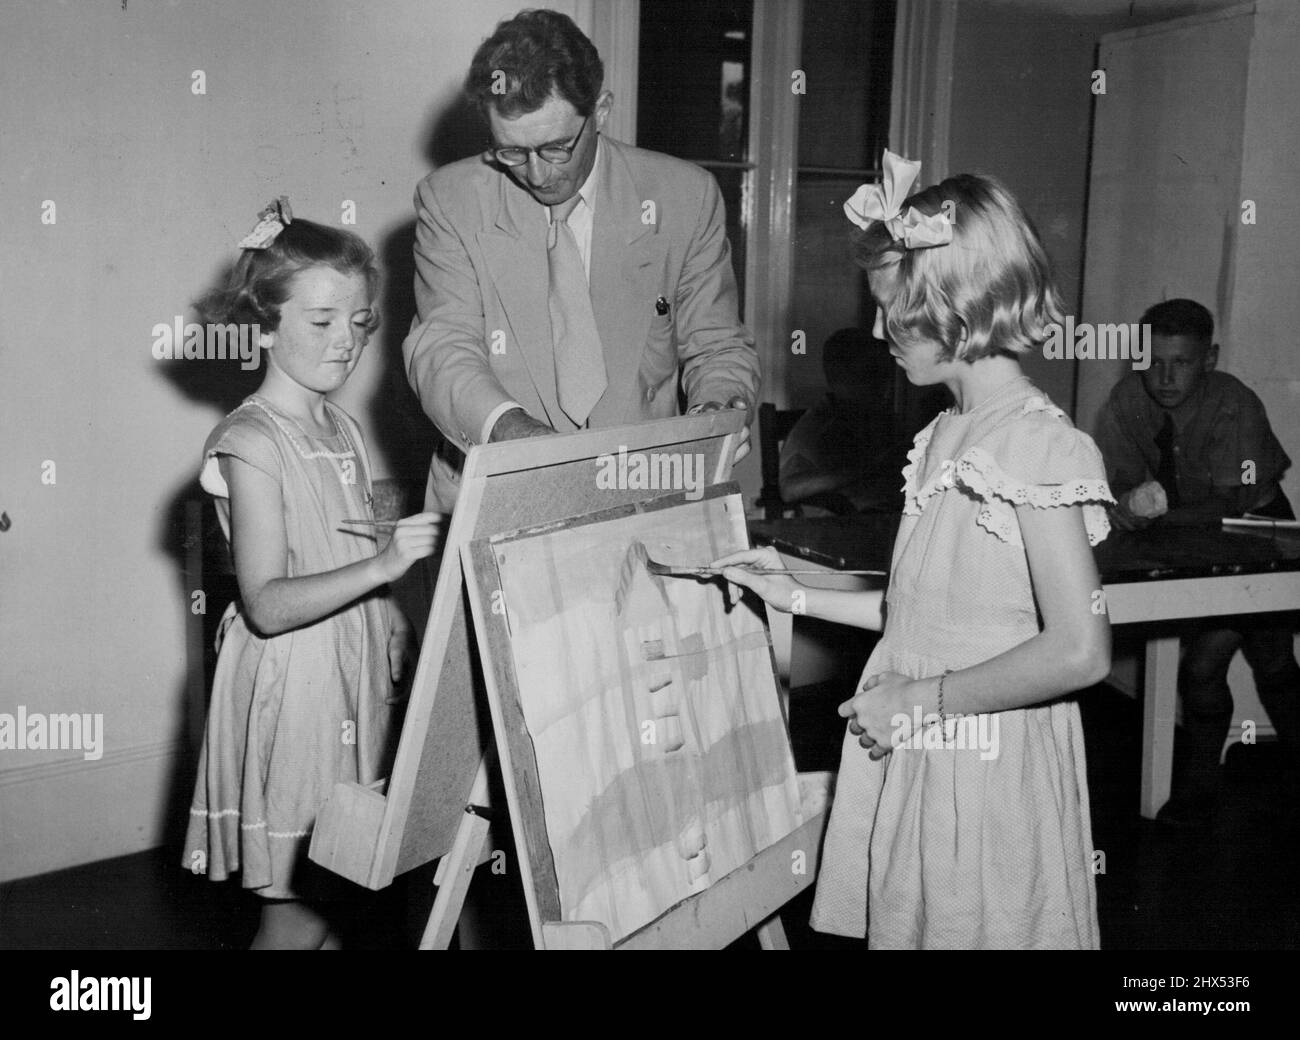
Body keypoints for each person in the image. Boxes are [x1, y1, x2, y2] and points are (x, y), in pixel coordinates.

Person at [715, 152, 1114, 948]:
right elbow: (919, 617)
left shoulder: (1039, 447)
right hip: (925, 747)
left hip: (987, 762)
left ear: (957, 309)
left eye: (892, 313)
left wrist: (919, 705)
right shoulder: (939, 436)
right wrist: (790, 591)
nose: (873, 334)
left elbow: (1081, 650)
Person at [182, 202, 442, 949]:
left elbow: (348, 542)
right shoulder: (249, 442)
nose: (347, 342)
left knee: (338, 893)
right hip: (293, 683)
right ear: (262, 326)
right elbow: (265, 603)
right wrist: (386, 564)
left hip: (346, 672)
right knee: (294, 911)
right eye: (321, 321)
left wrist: (388, 606)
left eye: (360, 323)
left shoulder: (340, 427)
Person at [403, 8, 761, 512]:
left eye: (556, 147)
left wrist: (716, 411)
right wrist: (517, 436)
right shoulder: (451, 200)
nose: (536, 174)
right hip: (495, 493)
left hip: (645, 491)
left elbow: (718, 346)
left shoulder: (685, 197)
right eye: (510, 151)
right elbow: (442, 347)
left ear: (602, 110)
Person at [1094, 298, 1298, 827]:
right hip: (1184, 538)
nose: (1164, 377)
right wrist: (1124, 507)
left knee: (1261, 661)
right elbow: (1114, 488)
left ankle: (1209, 784)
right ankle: (1202, 786)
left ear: (1208, 358)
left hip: (1254, 535)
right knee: (1212, 668)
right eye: (1154, 361)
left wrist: (1146, 513)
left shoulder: (1234, 401)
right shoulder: (1125, 400)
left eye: (1180, 363)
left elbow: (1230, 502)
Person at [779, 327, 941, 513]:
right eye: (873, 378)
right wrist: (867, 469)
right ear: (843, 380)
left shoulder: (873, 418)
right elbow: (790, 490)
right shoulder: (817, 426)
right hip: (837, 527)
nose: (885, 390)